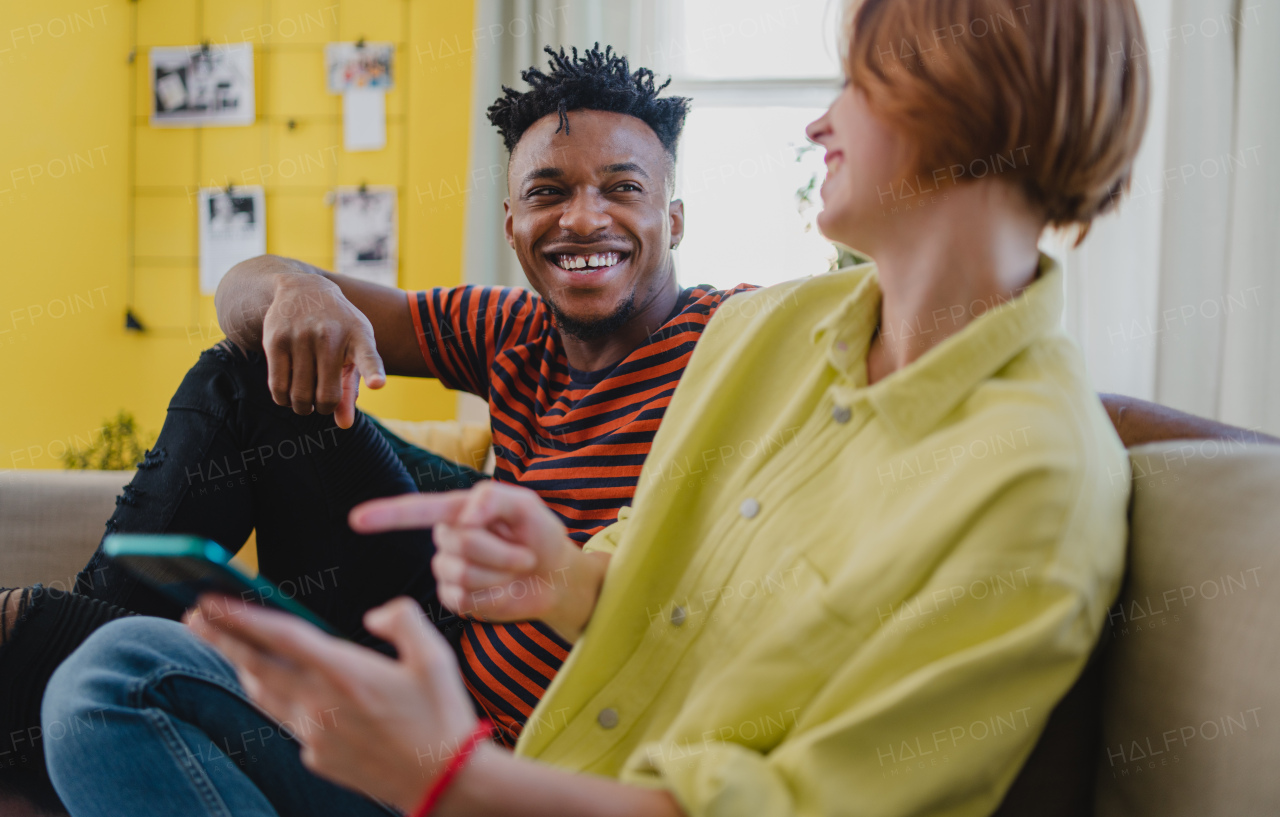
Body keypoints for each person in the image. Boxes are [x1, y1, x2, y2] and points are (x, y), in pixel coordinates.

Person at [40, 0, 1197, 815]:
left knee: (101, 676)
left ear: (964, 98)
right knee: (116, 668)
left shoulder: (1033, 483)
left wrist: (448, 775)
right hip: (511, 752)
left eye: (854, 80)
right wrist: (557, 573)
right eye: (547, 191)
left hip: (504, 786)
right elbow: (632, 576)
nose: (815, 123)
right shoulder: (776, 340)